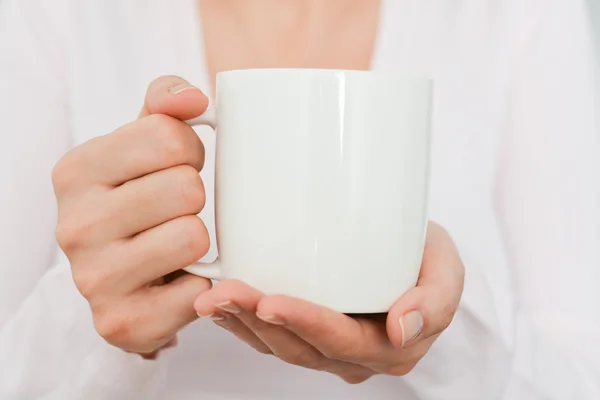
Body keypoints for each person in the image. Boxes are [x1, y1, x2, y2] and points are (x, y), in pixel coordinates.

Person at [0, 0, 598, 399]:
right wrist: (96, 305)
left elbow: (580, 379)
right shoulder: (54, 16)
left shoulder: (526, 15)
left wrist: (445, 331)